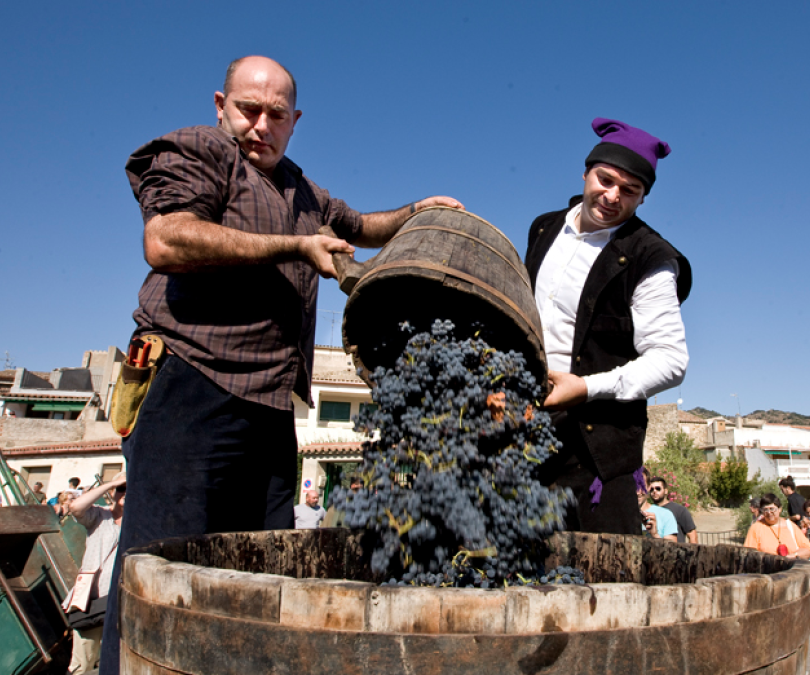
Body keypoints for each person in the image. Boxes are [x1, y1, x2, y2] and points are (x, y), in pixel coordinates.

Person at [101, 55, 464, 674]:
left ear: (295, 120)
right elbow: (167, 239)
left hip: (269, 406)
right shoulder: (200, 152)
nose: (259, 126)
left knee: (253, 569)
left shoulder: (302, 188)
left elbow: (360, 226)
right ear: (221, 106)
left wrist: (414, 213)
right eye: (247, 110)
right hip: (191, 386)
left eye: (275, 115)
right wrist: (295, 245)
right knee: (159, 563)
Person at [527, 118, 691, 535]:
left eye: (630, 190)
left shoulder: (650, 259)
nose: (612, 196)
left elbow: (671, 361)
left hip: (596, 453)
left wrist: (584, 388)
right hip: (525, 431)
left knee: (602, 580)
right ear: (586, 173)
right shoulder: (544, 229)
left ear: (642, 199)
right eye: (606, 179)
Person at [66, 473, 126, 675]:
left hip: (121, 601)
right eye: (122, 488)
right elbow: (75, 507)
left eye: (131, 487)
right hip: (93, 600)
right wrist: (113, 482)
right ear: (112, 492)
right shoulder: (100, 516)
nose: (126, 492)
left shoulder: (138, 523)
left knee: (114, 662)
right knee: (83, 663)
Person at [745, 494, 810, 559]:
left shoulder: (790, 526)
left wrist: (793, 555)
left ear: (780, 509)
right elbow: (748, 554)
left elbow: (809, 549)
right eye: (765, 509)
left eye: (772, 509)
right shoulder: (756, 528)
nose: (769, 512)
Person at [648, 477, 698, 543]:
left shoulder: (680, 510)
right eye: (651, 489)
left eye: (658, 489)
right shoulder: (648, 510)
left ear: (666, 491)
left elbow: (693, 536)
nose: (654, 491)